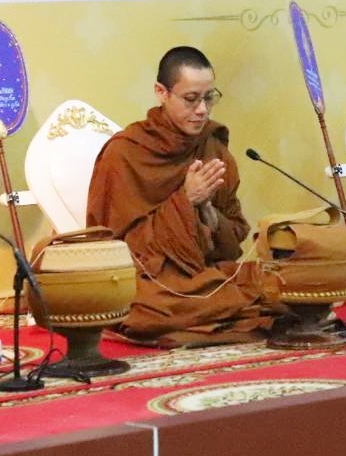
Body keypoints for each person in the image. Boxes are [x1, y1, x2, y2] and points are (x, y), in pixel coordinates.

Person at [86, 46, 279, 346]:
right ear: (161, 93)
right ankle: (224, 312)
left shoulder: (213, 148)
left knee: (282, 281)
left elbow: (232, 245)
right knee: (140, 308)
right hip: (152, 282)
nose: (202, 110)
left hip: (206, 274)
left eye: (209, 98)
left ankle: (214, 312)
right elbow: (113, 248)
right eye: (191, 99)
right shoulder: (124, 153)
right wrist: (185, 201)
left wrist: (209, 214)